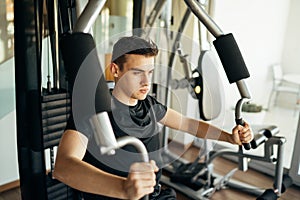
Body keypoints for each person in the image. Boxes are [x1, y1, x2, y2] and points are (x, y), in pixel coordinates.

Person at [53, 36, 253, 200]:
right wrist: (123, 188)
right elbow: (63, 166)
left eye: (150, 72)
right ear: (115, 70)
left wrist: (229, 138)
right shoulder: (95, 110)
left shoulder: (150, 105)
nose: (146, 82)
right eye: (137, 73)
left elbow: (187, 123)